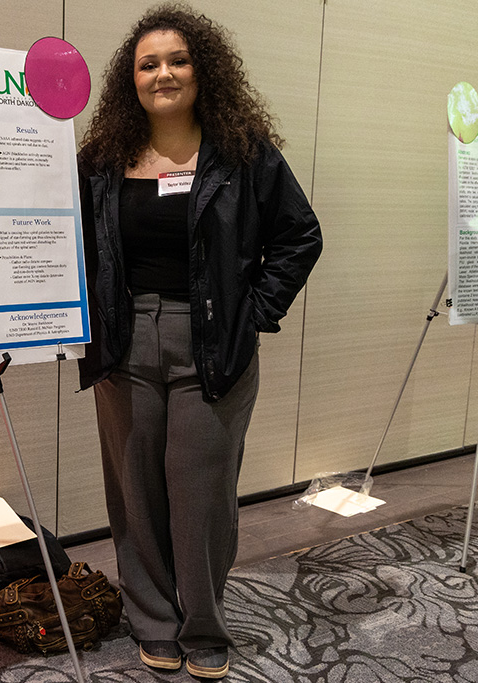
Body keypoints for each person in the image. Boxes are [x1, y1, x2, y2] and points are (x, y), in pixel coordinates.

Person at [77, 4, 322, 679]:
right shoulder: (101, 159)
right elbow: (63, 240)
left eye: (178, 59)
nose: (164, 73)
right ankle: (152, 618)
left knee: (201, 491)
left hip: (212, 341)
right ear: (131, 79)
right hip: (124, 341)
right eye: (148, 63)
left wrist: (256, 312)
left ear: (202, 68)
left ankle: (204, 625)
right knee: (136, 489)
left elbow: (301, 236)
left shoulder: (243, 154)